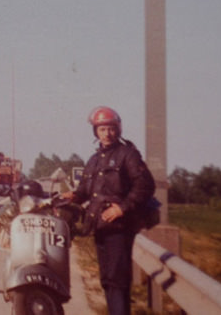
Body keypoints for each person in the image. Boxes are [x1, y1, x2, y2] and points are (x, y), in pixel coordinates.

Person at [61, 106, 156, 315]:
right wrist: (74, 196)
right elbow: (86, 191)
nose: (107, 133)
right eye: (102, 129)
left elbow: (145, 185)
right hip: (100, 227)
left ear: (118, 129)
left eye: (111, 128)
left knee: (117, 281)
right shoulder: (94, 160)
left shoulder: (128, 154)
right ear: (96, 132)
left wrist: (122, 208)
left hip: (120, 229)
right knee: (106, 280)